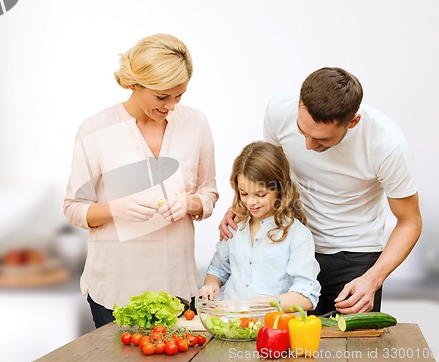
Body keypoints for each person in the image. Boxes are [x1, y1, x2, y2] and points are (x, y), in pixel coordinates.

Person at [219, 67, 422, 315]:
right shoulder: (279, 109)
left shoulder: (388, 146)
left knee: (350, 351)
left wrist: (372, 279)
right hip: (291, 246)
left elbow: (410, 221)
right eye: (302, 131)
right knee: (293, 348)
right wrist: (242, 205)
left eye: (322, 140)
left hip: (355, 257)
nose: (307, 145)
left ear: (353, 121)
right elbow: (271, 173)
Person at [64, 34, 219, 328]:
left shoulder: (196, 124)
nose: (171, 106)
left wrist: (191, 202)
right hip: (115, 287)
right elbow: (73, 207)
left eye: (179, 96)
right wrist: (115, 208)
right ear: (134, 83)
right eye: (162, 97)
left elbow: (209, 192)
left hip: (177, 284)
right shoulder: (95, 129)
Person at [200, 141, 321, 311]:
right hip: (232, 325)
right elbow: (217, 269)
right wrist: (211, 285)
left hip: (273, 328)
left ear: (280, 189)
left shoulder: (297, 235)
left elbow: (306, 296)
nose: (250, 202)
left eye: (260, 194)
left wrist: (254, 306)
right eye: (244, 193)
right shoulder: (236, 226)